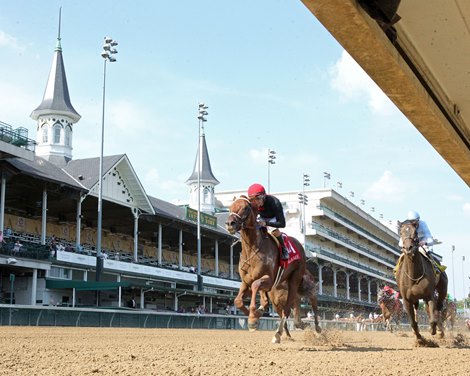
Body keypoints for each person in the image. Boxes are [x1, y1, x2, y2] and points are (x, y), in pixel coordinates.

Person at [247, 183, 289, 260]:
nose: (256, 202)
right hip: (263, 216)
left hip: (275, 216)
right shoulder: (252, 205)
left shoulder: (275, 202)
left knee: (273, 230)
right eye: (252, 200)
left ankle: (284, 248)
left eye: (258, 199)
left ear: (264, 196)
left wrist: (267, 223)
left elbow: (282, 224)